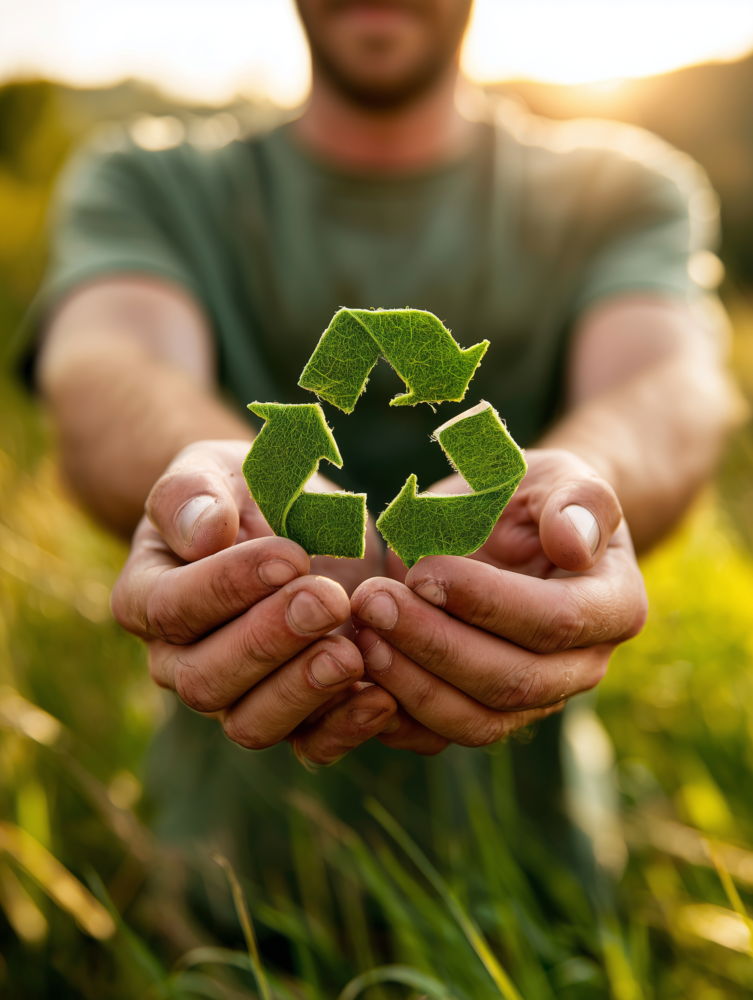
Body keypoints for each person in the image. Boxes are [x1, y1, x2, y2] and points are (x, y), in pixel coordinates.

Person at [34, 0, 735, 876]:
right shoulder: (150, 180)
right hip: (220, 890)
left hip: (535, 885)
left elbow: (661, 385)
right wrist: (220, 489)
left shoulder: (619, 187)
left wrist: (584, 487)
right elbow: (109, 368)